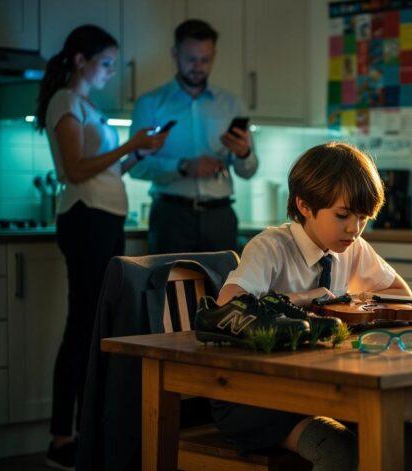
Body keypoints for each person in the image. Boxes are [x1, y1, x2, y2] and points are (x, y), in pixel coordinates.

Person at [203, 142, 412, 471]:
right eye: (342, 215)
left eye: (363, 218)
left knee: (404, 437)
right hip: (252, 394)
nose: (354, 229)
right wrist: (305, 298)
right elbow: (227, 305)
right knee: (337, 450)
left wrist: (355, 305)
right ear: (304, 205)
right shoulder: (270, 248)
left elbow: (398, 291)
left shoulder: (352, 247)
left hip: (317, 388)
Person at [34, 24, 168, 470]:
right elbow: (75, 170)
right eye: (106, 63)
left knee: (96, 326)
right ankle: (61, 438)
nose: (112, 71)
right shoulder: (65, 101)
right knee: (83, 327)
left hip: (105, 218)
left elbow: (106, 171)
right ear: (80, 60)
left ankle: (85, 432)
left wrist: (138, 154)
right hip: (85, 219)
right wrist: (131, 142)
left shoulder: (87, 106)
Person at [130, 19, 257, 254]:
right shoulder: (150, 104)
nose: (198, 66)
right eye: (190, 59)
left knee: (225, 279)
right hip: (170, 217)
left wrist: (244, 154)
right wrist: (182, 166)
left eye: (205, 60)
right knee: (169, 278)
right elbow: (136, 167)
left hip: (220, 216)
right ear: (174, 54)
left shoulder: (232, 105)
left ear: (214, 56)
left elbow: (248, 172)